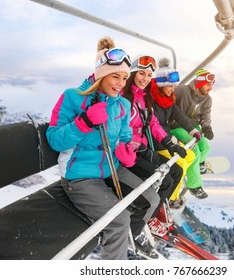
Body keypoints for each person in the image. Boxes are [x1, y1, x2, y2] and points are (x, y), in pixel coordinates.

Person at [46, 37, 160, 260]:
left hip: (112, 168)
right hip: (79, 176)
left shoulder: (122, 104)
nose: (120, 84)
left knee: (151, 198)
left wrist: (129, 149)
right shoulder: (73, 97)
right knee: (118, 222)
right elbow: (54, 139)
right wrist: (84, 123)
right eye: (115, 76)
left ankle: (132, 237)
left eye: (125, 78)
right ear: (100, 74)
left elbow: (126, 135)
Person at [122, 54, 186, 236]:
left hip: (141, 149)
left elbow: (153, 124)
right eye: (142, 74)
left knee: (176, 171)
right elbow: (121, 131)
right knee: (164, 180)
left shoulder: (142, 98)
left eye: (149, 75)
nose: (145, 79)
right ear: (133, 73)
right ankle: (147, 221)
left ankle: (156, 211)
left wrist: (169, 143)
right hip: (128, 153)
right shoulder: (124, 98)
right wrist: (140, 147)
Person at [150, 58, 201, 206]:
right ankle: (171, 199)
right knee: (181, 163)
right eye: (169, 86)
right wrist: (169, 142)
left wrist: (192, 130)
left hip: (168, 139)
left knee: (190, 155)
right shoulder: (152, 101)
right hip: (158, 143)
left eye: (174, 86)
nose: (173, 89)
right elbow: (154, 128)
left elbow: (179, 115)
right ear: (161, 86)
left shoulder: (168, 99)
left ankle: (174, 191)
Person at [171, 69, 215, 199]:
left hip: (193, 128)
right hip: (177, 127)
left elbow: (206, 116)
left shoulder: (207, 99)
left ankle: (199, 164)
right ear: (200, 83)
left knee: (206, 146)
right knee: (194, 149)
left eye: (212, 85)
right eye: (208, 84)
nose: (210, 88)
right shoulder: (182, 90)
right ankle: (194, 186)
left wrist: (207, 127)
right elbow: (169, 103)